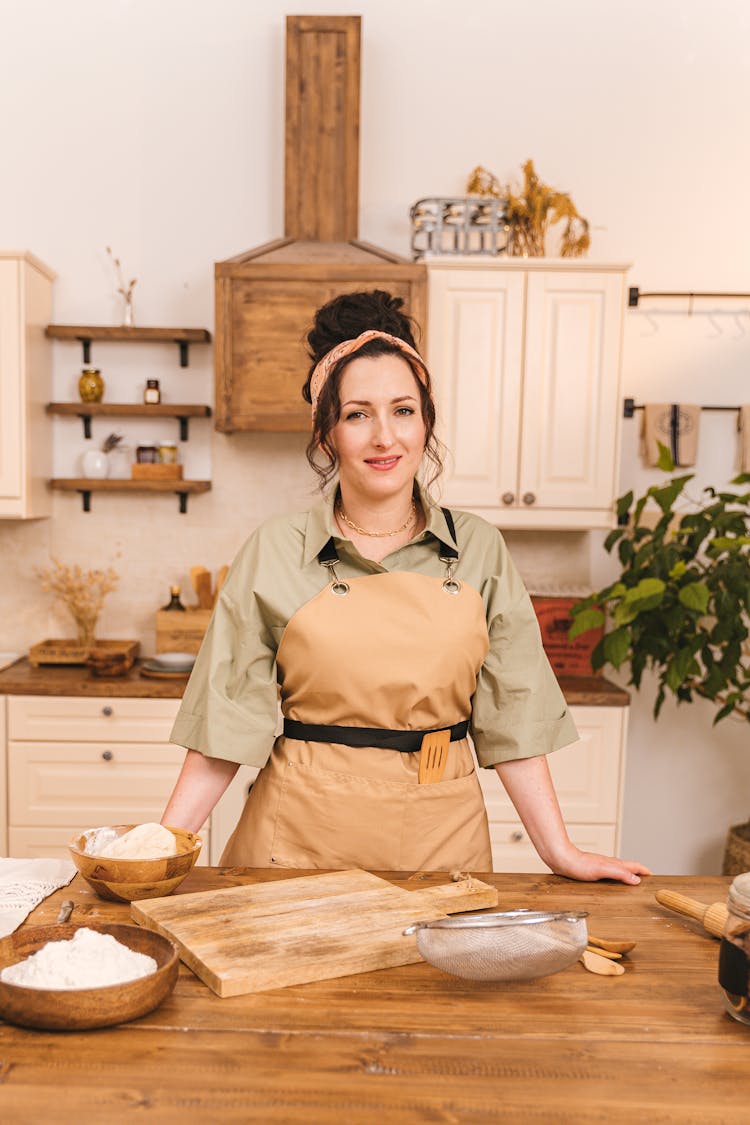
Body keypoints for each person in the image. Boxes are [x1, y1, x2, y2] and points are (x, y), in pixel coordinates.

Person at [161, 289, 650, 884]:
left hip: (441, 842)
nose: (384, 437)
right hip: (292, 845)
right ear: (327, 435)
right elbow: (223, 724)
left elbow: (515, 713)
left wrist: (560, 851)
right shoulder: (275, 549)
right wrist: (160, 850)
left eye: (403, 410)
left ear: (426, 423)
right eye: (357, 414)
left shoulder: (479, 549)